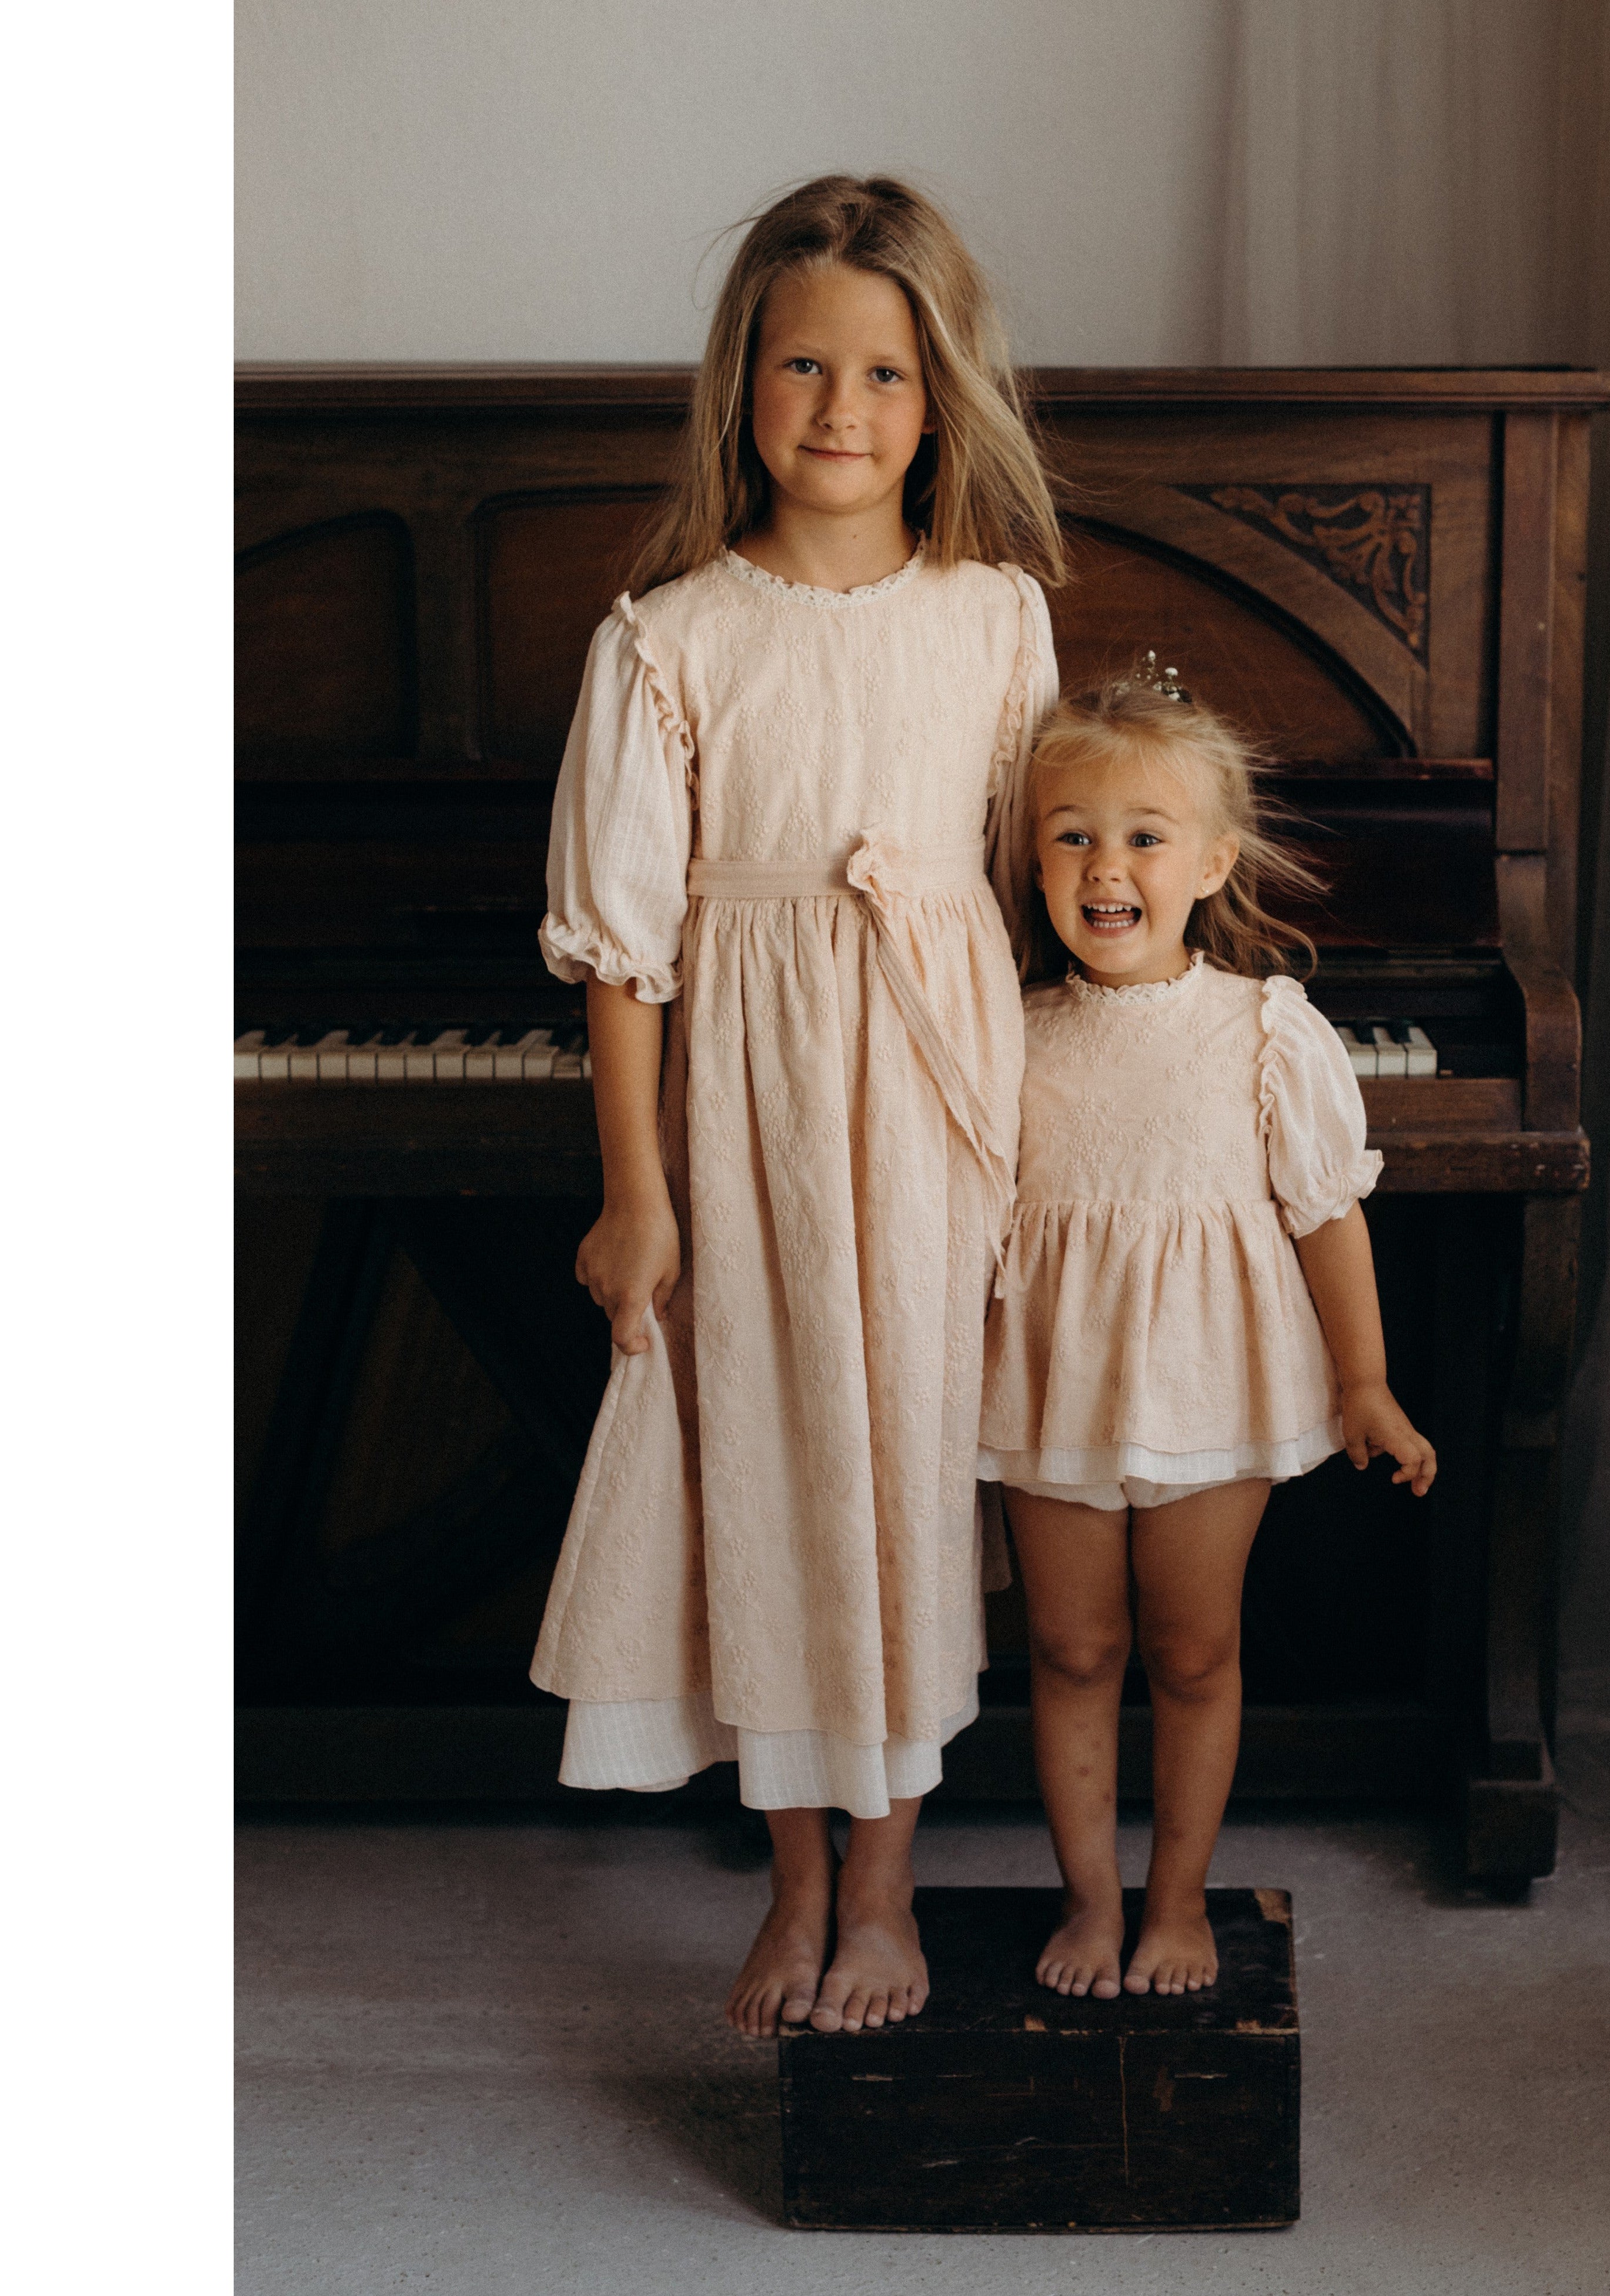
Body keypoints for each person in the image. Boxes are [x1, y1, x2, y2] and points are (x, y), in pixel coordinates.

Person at [530, 175, 1065, 2040]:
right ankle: (796, 1878)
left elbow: (1039, 888)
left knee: (905, 1462)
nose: (842, 408)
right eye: (804, 367)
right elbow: (623, 953)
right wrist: (638, 1193)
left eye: (885, 374)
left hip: (931, 1097)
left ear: (941, 397)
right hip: (748, 1110)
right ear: (740, 383)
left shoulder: (996, 619)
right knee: (766, 1459)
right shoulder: (667, 638)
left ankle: (889, 1882)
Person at [981, 671, 1438, 1999]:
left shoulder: (1263, 1029)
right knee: (1071, 1649)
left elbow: (1325, 1212)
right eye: (1071, 833)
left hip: (1211, 1382)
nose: (1103, 865)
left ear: (1211, 863)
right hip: (1055, 1380)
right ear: (1031, 858)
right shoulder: (1006, 1029)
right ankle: (1088, 1897)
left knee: (1190, 1649)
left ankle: (1175, 1897)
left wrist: (1365, 1380)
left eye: (1143, 835)